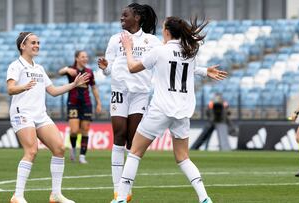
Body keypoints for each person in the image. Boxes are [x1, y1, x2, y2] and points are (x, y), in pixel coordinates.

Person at [113, 16, 228, 203]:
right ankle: (204, 197)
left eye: (162, 28)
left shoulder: (160, 51)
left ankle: (121, 198)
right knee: (183, 157)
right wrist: (206, 71)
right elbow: (190, 68)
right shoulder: (190, 52)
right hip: (182, 111)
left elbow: (133, 67)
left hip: (160, 109)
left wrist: (128, 48)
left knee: (134, 152)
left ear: (167, 32)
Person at [7, 32, 89, 203]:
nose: (37, 45)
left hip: (40, 114)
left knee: (59, 148)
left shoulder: (39, 68)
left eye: (38, 42)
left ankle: (56, 195)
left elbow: (52, 91)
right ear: (23, 46)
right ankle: (18, 195)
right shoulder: (16, 66)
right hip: (22, 113)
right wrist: (24, 87)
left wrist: (73, 84)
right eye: (33, 43)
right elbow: (10, 89)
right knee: (31, 151)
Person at [97, 3, 162, 202]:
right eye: (121, 16)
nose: (121, 19)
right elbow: (108, 71)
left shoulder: (152, 41)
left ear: (138, 18)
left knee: (132, 140)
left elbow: (163, 60)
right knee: (119, 134)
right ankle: (118, 191)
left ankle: (127, 188)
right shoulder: (115, 39)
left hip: (140, 93)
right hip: (119, 91)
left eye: (125, 15)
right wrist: (105, 67)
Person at [58, 50, 102, 164]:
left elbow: (94, 88)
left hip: (86, 104)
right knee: (74, 130)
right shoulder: (71, 70)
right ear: (77, 58)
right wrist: (67, 69)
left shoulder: (89, 72)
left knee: (85, 130)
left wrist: (98, 102)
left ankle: (82, 156)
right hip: (73, 103)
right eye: (82, 57)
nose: (85, 59)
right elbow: (59, 72)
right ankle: (73, 150)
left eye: (86, 57)